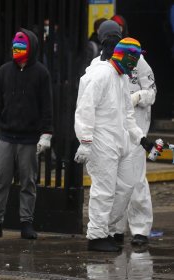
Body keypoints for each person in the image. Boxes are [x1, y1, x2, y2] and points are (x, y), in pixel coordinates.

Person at [74, 37, 158, 252]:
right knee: (103, 190)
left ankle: (109, 231)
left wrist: (140, 138)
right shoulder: (100, 75)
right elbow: (85, 109)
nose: (136, 62)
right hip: (101, 141)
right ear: (125, 56)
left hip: (119, 141)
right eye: (134, 57)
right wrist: (85, 141)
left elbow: (127, 114)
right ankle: (96, 235)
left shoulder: (120, 78)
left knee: (125, 187)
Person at [0, 28, 53, 240]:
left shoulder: (41, 73)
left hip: (29, 137)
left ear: (31, 49)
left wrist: (46, 133)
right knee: (0, 179)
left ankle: (26, 223)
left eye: (21, 47)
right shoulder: (3, 71)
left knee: (28, 181)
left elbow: (47, 106)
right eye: (15, 47)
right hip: (6, 136)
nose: (16, 50)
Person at [94, 20, 157, 246]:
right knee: (113, 185)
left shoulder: (137, 59)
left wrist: (138, 97)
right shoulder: (98, 64)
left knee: (136, 182)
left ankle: (140, 229)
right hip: (110, 133)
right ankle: (116, 229)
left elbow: (151, 92)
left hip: (135, 131)